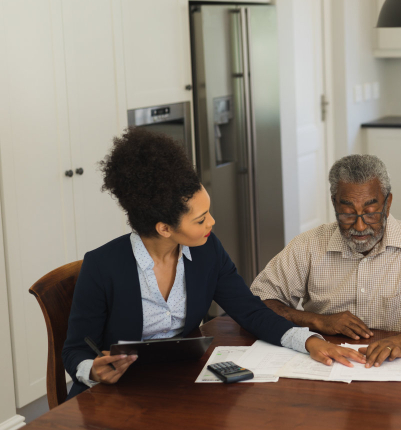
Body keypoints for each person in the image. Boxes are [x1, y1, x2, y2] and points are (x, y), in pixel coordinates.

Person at [62, 128, 363, 400]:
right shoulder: (102, 266)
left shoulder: (207, 251)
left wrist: (309, 341)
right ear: (164, 228)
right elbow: (75, 350)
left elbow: (251, 311)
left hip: (178, 386)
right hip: (115, 395)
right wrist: (92, 370)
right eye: (200, 219)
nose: (212, 222)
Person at [251, 154, 401, 368]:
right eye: (348, 214)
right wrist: (318, 321)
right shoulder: (308, 245)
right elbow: (257, 302)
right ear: (334, 204)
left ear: (388, 203)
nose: (360, 226)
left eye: (371, 212)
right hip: (328, 367)